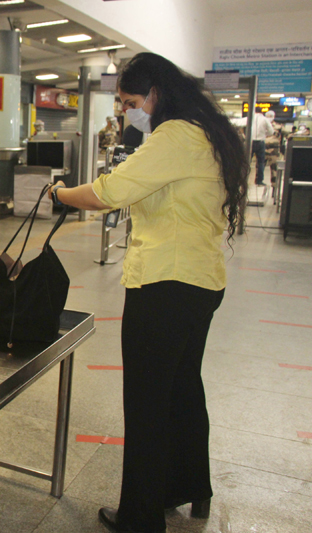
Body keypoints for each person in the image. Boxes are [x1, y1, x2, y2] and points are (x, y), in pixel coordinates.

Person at [48, 52, 248, 533]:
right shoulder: (205, 132)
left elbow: (106, 193)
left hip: (165, 284)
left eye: (132, 101)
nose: (128, 111)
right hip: (199, 281)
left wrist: (59, 192)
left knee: (147, 401)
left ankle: (141, 516)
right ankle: (190, 487)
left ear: (156, 94)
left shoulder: (176, 135)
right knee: (181, 390)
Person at [232, 109, 275, 185]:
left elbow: (237, 122)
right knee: (260, 162)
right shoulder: (265, 120)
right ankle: (259, 180)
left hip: (250, 142)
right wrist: (264, 133)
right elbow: (271, 132)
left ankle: (242, 179)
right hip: (260, 142)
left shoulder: (249, 118)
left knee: (246, 161)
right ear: (262, 112)